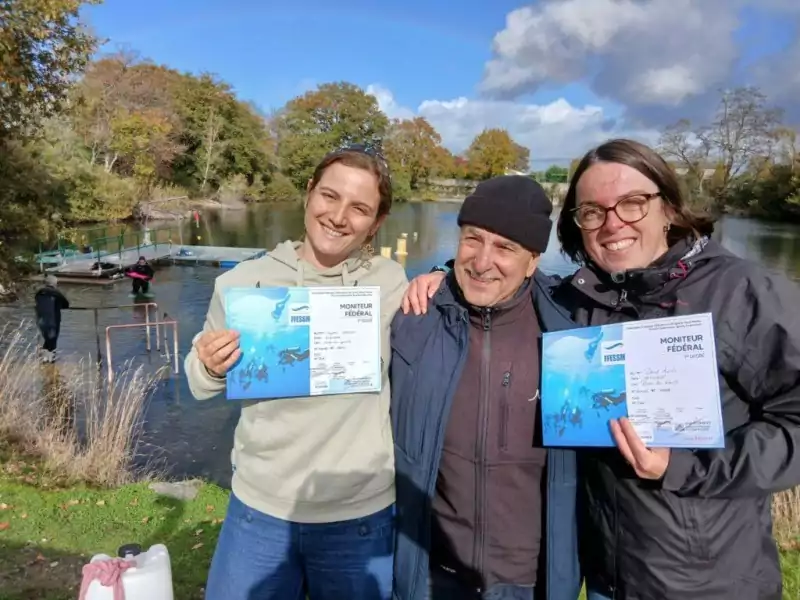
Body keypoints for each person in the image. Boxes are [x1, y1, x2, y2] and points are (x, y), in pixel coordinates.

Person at [404, 138, 800, 600]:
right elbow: (508, 275)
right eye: (593, 211)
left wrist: (683, 467)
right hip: (604, 578)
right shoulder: (581, 300)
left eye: (632, 203)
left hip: (709, 583)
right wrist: (447, 276)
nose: (613, 224)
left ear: (669, 208)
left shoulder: (740, 292)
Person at [184, 144, 409, 600]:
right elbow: (197, 381)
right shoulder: (241, 283)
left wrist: (442, 275)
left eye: (359, 208)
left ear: (377, 222)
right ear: (309, 192)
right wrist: (209, 364)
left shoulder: (392, 284)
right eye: (330, 196)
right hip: (260, 508)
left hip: (360, 516)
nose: (338, 217)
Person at [390, 176, 580, 600]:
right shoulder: (415, 319)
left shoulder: (570, 327)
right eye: (472, 239)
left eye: (505, 247)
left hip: (528, 579)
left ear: (532, 261)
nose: (481, 262)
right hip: (432, 570)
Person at [34, 275, 69, 363]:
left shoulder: (39, 292)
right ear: (55, 283)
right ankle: (50, 362)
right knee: (52, 343)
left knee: (47, 340)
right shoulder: (56, 293)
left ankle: (44, 360)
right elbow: (66, 304)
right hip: (53, 321)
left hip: (41, 321)